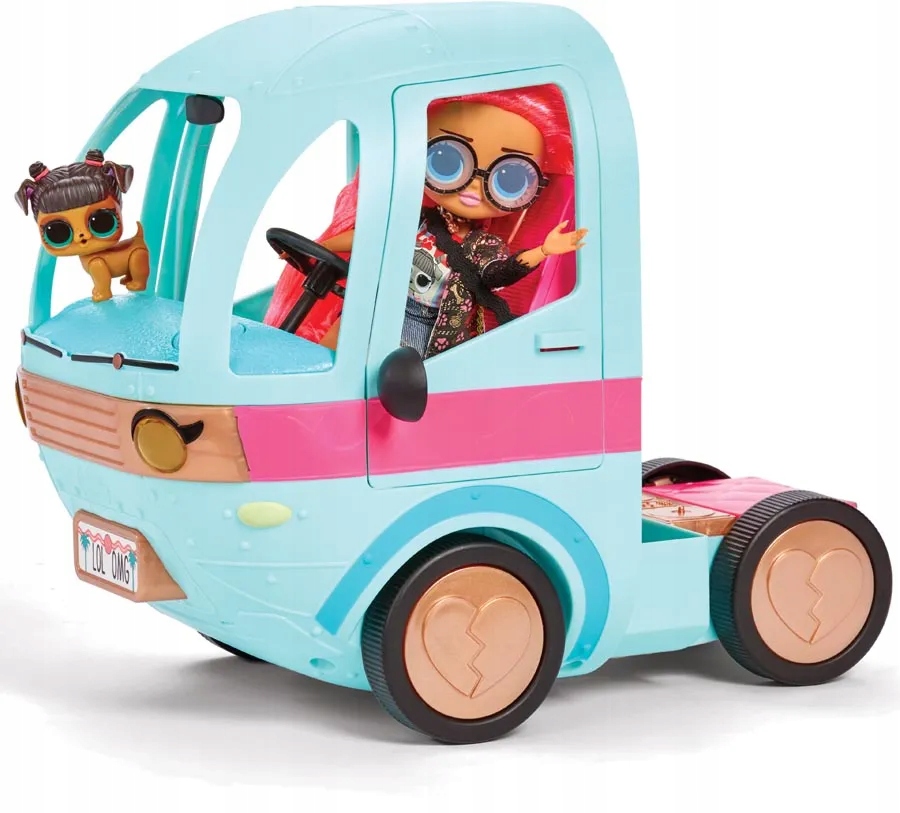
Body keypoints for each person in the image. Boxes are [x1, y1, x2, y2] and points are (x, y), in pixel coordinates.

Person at [264, 84, 586, 356]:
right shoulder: (418, 221)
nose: (474, 188)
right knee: (345, 329)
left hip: (431, 328)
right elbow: (368, 238)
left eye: (510, 179)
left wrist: (544, 250)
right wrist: (321, 247)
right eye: (447, 161)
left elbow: (499, 273)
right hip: (386, 310)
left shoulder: (483, 246)